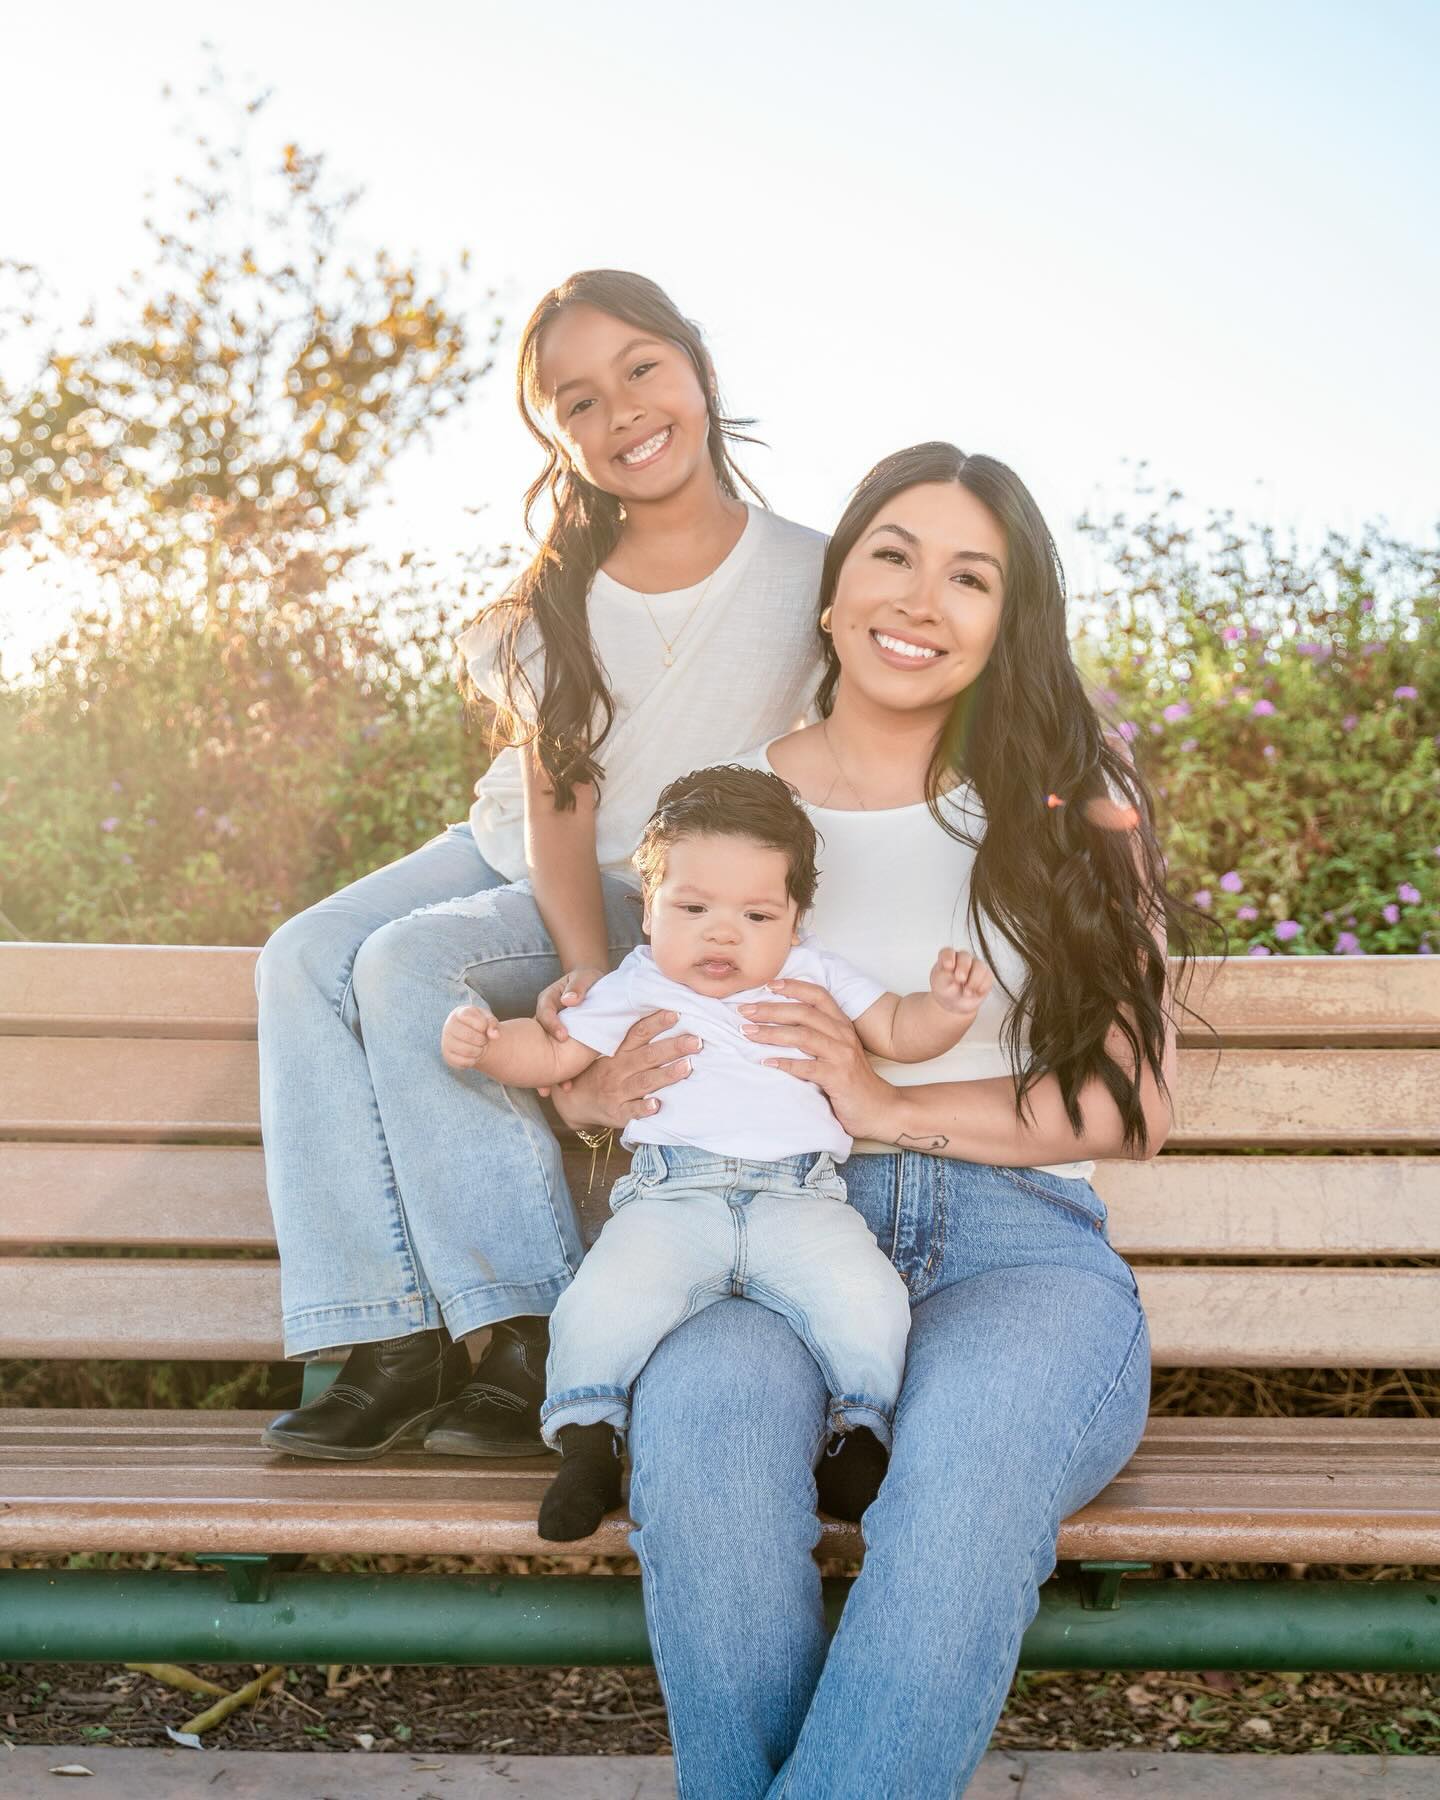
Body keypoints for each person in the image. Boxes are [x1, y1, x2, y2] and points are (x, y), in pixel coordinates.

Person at [547, 443, 1206, 1797]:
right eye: (894, 553)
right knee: (706, 1445)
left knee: (961, 1487)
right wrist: (590, 1086)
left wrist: (890, 1099)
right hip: (757, 1236)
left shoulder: (1069, 807)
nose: (923, 597)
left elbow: (1130, 1101)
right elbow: (611, 1020)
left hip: (1016, 1253)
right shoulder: (724, 801)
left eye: (973, 576)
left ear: (1005, 623)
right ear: (837, 583)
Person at [257, 270, 826, 1460]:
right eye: (577, 401)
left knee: (411, 967)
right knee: (304, 955)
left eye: (641, 370)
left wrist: (599, 974)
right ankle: (389, 1338)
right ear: (557, 437)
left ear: (701, 374)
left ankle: (524, 1337)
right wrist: (579, 970)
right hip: (520, 856)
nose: (619, 411)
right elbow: (549, 804)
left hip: (660, 891)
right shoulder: (558, 600)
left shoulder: (813, 578)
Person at [439, 763, 995, 1538]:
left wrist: (947, 1007)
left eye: (757, 915)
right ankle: (589, 1441)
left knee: (868, 1303)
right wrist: (493, 1046)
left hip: (802, 1200)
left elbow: (900, 1030)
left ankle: (857, 1438)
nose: (722, 932)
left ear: (797, 922)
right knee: (602, 1305)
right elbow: (555, 1056)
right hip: (673, 1200)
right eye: (693, 907)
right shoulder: (635, 985)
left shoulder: (815, 974)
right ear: (649, 912)